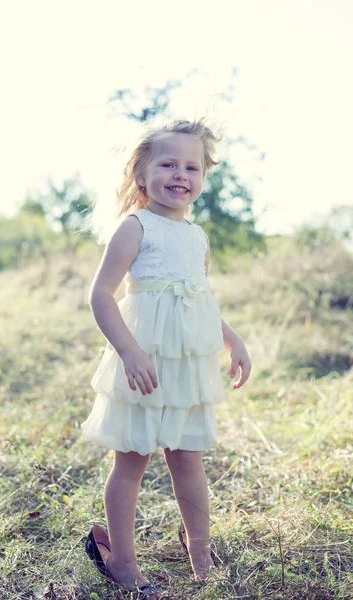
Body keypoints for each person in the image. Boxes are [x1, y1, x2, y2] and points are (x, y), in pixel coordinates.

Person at [81, 118, 252, 596]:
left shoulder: (197, 236)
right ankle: (124, 564)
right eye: (168, 164)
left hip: (186, 368)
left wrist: (232, 339)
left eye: (192, 166)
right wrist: (129, 351)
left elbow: (198, 300)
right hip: (144, 364)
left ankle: (201, 556)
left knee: (188, 461)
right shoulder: (136, 227)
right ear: (142, 174)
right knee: (132, 460)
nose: (181, 174)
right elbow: (101, 295)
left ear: (203, 177)